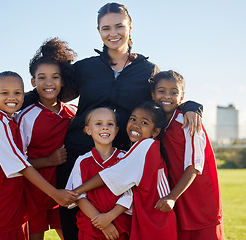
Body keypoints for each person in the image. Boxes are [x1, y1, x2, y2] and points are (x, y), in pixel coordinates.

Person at [22, 3, 203, 239]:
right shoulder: (86, 67)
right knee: (73, 207)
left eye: (119, 26)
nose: (113, 33)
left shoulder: (148, 70)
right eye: (106, 28)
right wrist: (4, 103)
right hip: (80, 149)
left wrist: (192, 106)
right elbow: (51, 89)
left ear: (130, 27)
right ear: (98, 31)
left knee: (120, 218)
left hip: (124, 155)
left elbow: (166, 95)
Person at [0, 71, 77, 240]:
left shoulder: (9, 120)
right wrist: (55, 193)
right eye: (5, 93)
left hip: (13, 206)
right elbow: (22, 165)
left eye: (17, 93)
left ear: (24, 95)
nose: (12, 97)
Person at [73, 102, 177, 240]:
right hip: (149, 218)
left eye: (144, 122)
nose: (136, 125)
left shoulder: (145, 146)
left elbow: (108, 177)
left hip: (155, 219)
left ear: (156, 131)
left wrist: (75, 192)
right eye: (133, 119)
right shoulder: (145, 147)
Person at [151, 70, 224, 240]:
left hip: (200, 198)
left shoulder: (189, 122)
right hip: (179, 198)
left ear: (182, 96)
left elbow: (194, 167)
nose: (167, 96)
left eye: (174, 92)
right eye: (161, 91)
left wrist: (172, 196)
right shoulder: (157, 123)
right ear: (153, 94)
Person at [16, 38, 77, 240]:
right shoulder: (25, 116)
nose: (48, 82)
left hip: (65, 190)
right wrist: (48, 161)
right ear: (33, 82)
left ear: (62, 81)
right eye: (42, 77)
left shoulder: (74, 114)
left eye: (55, 77)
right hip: (34, 192)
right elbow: (16, 163)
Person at [66, 107, 132, 240]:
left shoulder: (126, 158)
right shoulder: (82, 161)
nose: (105, 127)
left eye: (110, 124)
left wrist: (109, 217)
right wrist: (102, 223)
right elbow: (77, 195)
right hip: (91, 227)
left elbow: (130, 195)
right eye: (98, 123)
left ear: (116, 130)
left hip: (119, 227)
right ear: (88, 130)